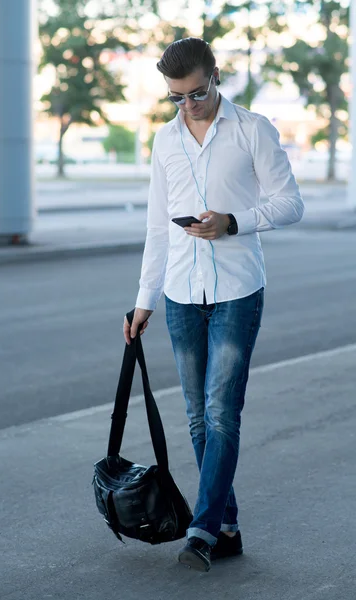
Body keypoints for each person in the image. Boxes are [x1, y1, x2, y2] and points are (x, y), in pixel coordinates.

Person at [123, 37, 304, 572]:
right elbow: (158, 227)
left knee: (222, 412)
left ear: (216, 76)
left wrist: (233, 221)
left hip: (237, 291)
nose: (189, 105)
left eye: (197, 92)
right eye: (177, 97)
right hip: (180, 293)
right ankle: (226, 525)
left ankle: (200, 530)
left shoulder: (253, 130)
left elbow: (291, 202)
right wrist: (143, 301)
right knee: (198, 419)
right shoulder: (165, 142)